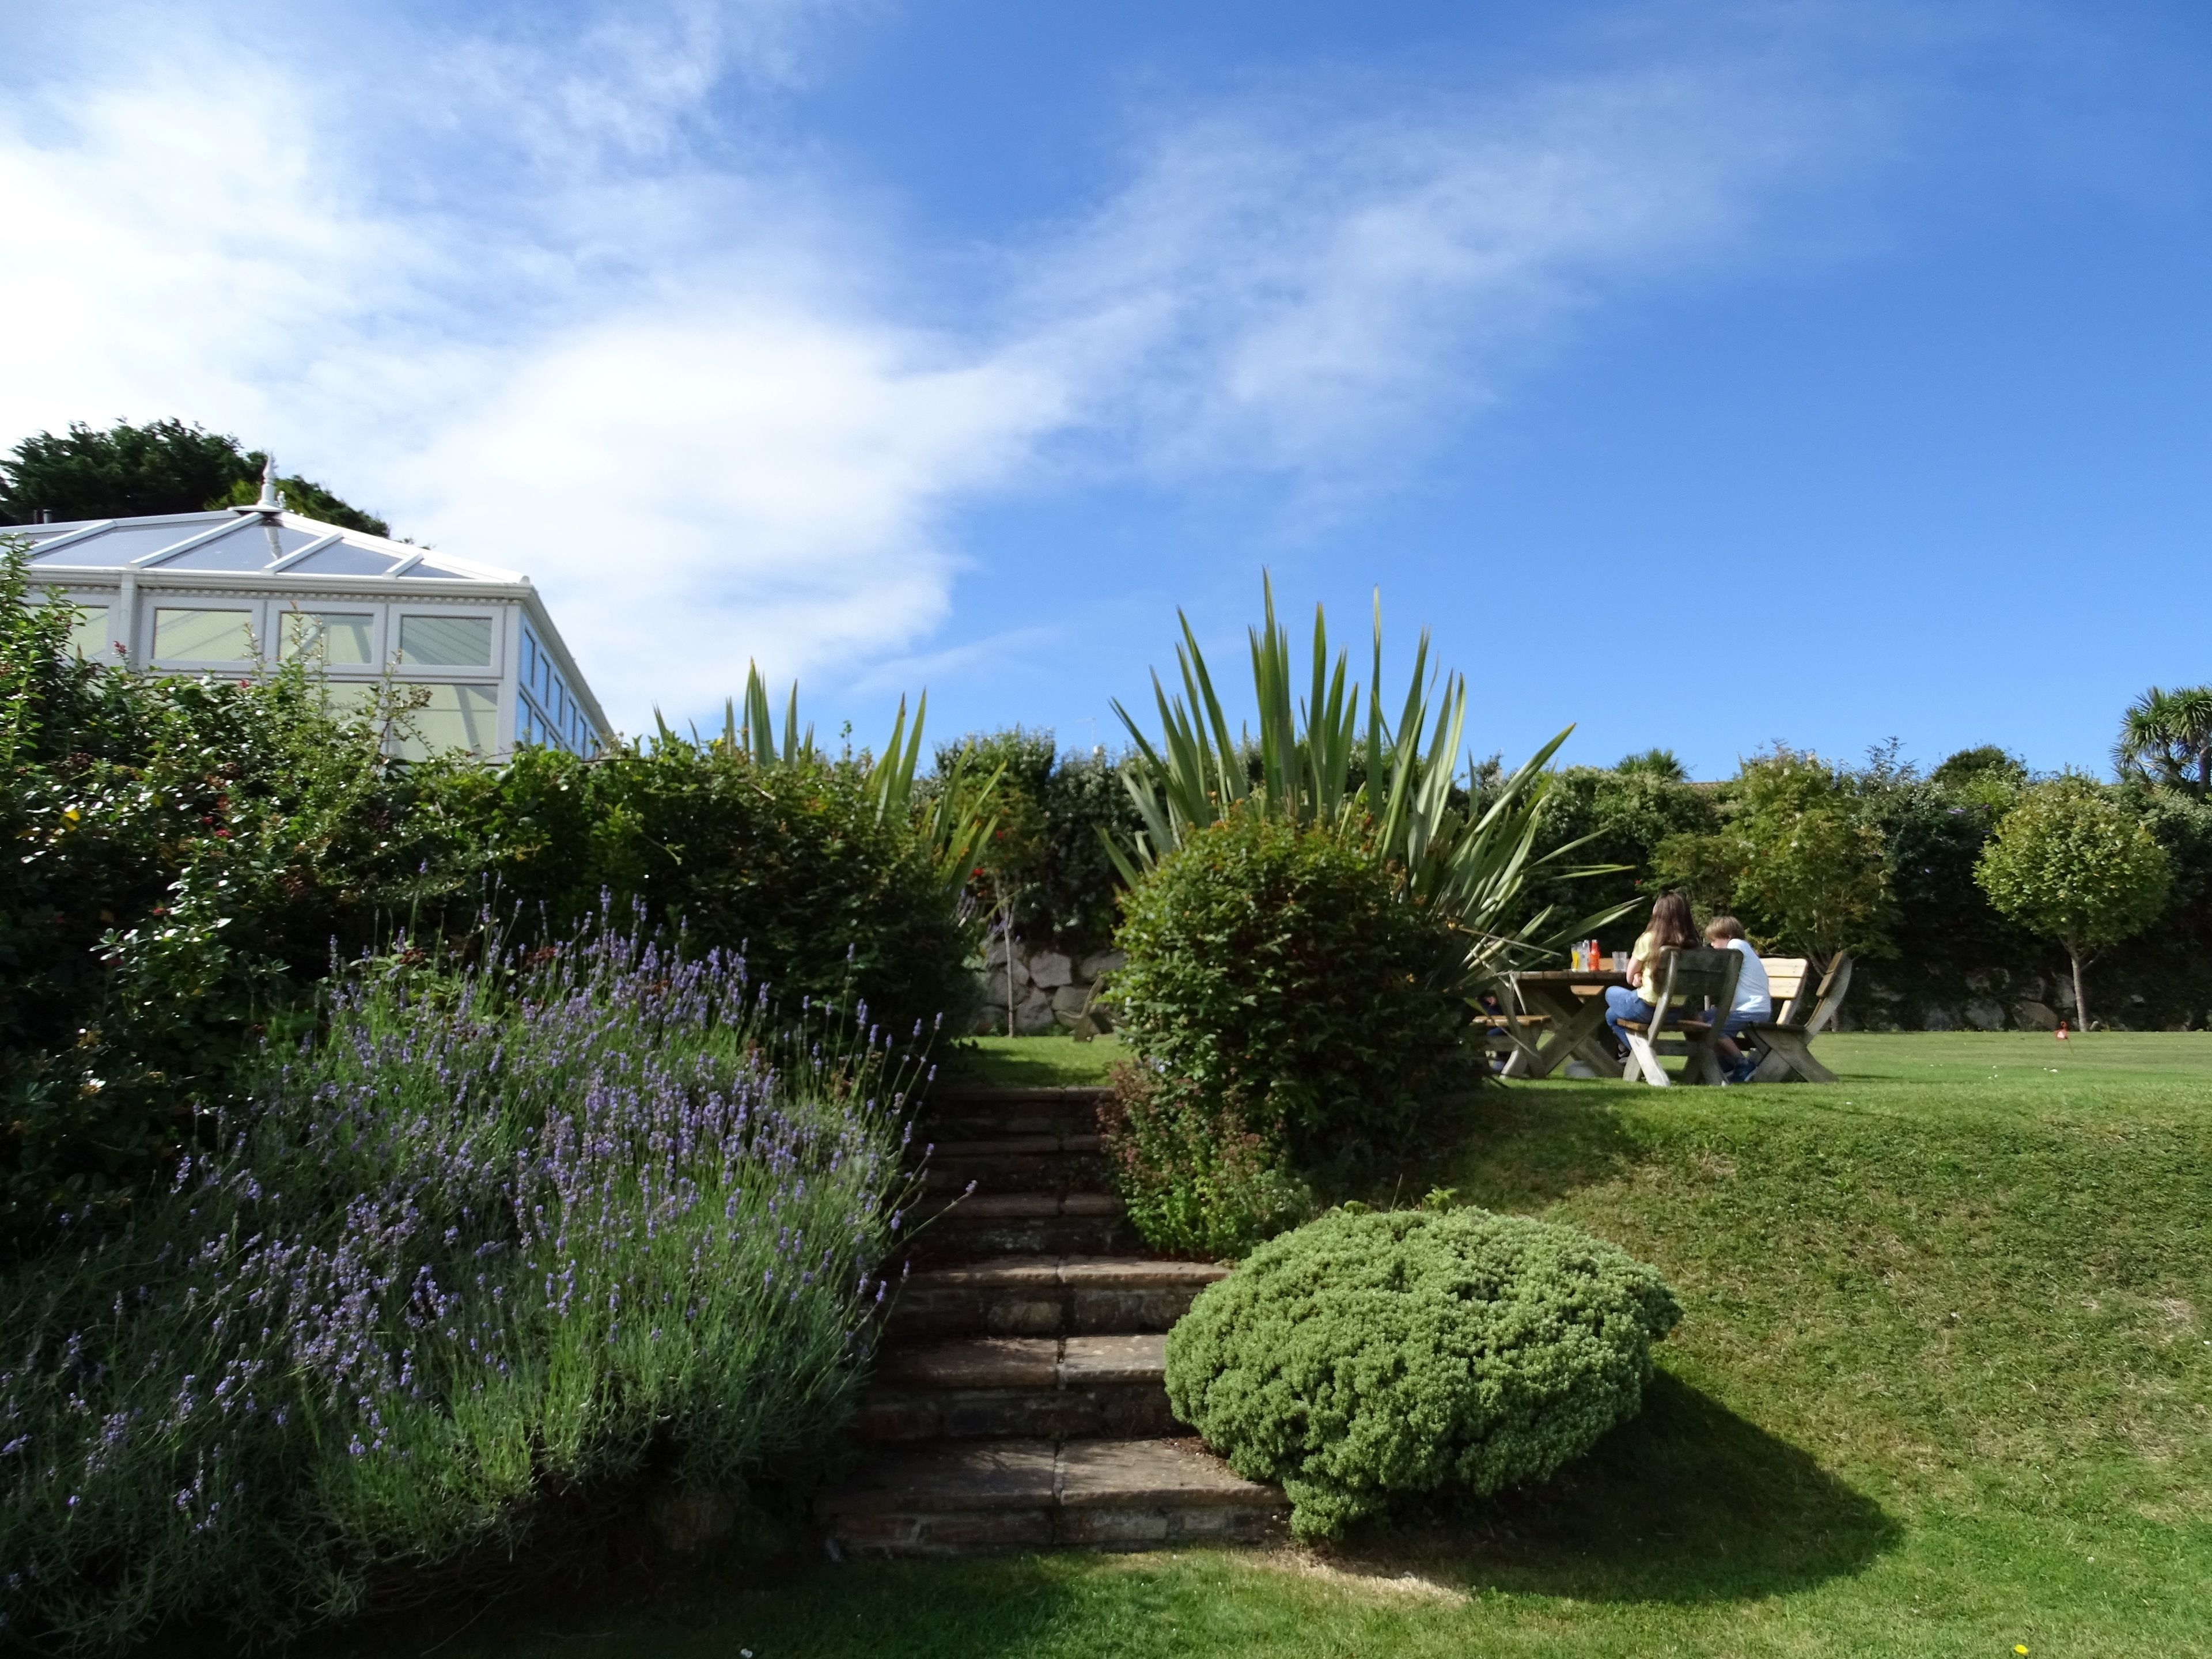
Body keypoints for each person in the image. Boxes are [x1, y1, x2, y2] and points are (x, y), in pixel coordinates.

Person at [1604, 892, 1701, 1057]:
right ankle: (1635, 1056)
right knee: (1611, 1015)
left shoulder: (1649, 939)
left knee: (1610, 992)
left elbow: (1629, 977)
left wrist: (1635, 978)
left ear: (1659, 914)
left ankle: (1644, 1055)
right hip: (1675, 1012)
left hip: (1647, 1007)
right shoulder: (1694, 944)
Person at [1703, 915, 1772, 1084]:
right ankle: (1724, 1063)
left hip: (1753, 1009)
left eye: (1714, 940)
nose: (1712, 945)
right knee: (1698, 1019)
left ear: (1727, 936)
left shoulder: (1736, 945)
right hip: (1744, 1008)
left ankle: (1743, 1064)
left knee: (1715, 1028)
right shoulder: (1743, 949)